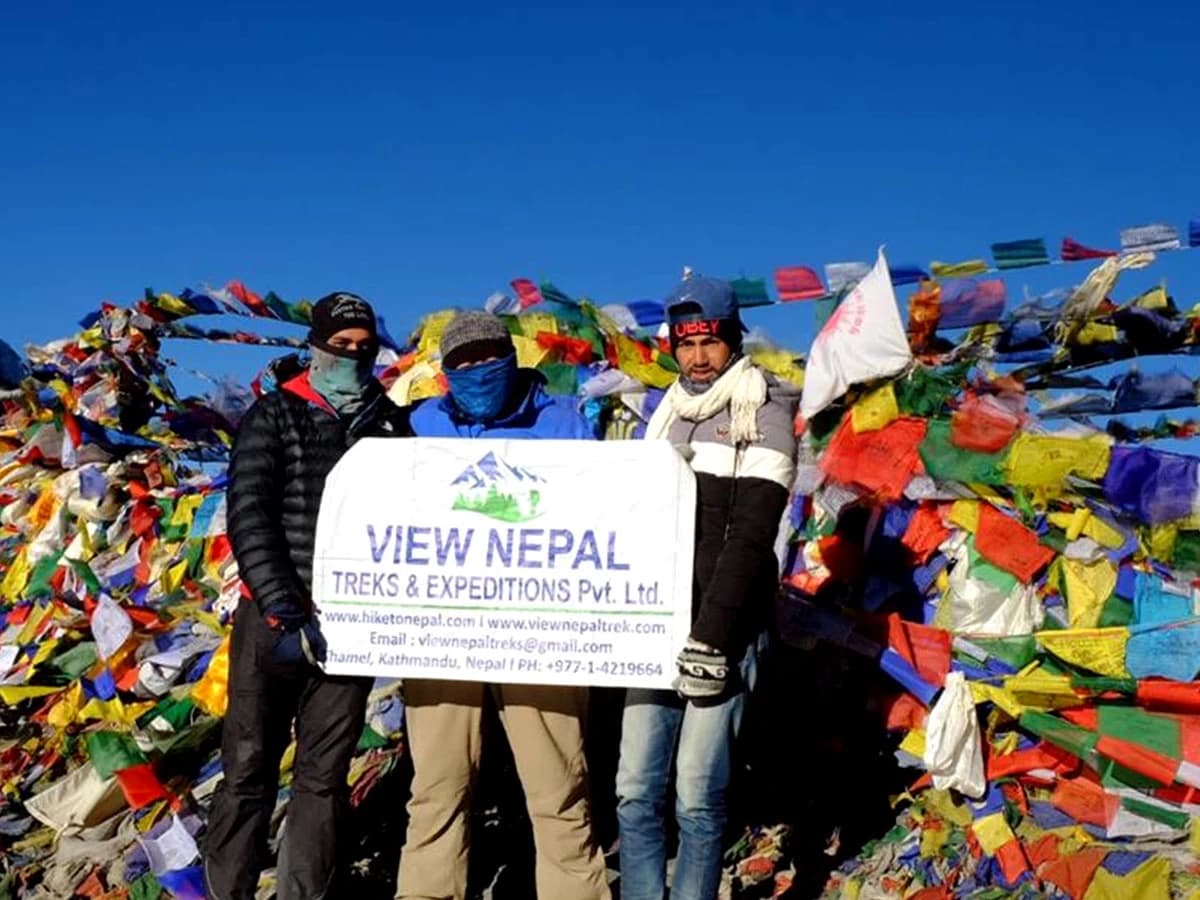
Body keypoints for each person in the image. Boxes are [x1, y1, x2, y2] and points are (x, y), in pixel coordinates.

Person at [395, 309, 612, 900]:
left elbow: (606, 513)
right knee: (436, 788)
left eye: (488, 357)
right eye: (462, 362)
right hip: (441, 631)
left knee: (558, 788)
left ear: (511, 357)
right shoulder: (420, 424)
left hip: (539, 632)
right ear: (445, 371)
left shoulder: (566, 421)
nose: (477, 370)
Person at [203, 292, 411, 900]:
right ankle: (229, 890)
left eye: (364, 348)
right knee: (247, 768)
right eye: (340, 345)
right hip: (274, 623)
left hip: (352, 628)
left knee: (323, 778)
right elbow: (250, 516)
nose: (352, 355)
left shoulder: (390, 424)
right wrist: (283, 605)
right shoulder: (275, 415)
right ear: (315, 347)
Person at [615, 274, 798, 900]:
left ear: (731, 339)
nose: (697, 357)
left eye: (710, 342)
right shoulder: (663, 411)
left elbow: (752, 534)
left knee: (696, 793)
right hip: (655, 627)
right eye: (686, 343)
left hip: (721, 629)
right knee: (636, 788)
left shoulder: (762, 405)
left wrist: (713, 635)